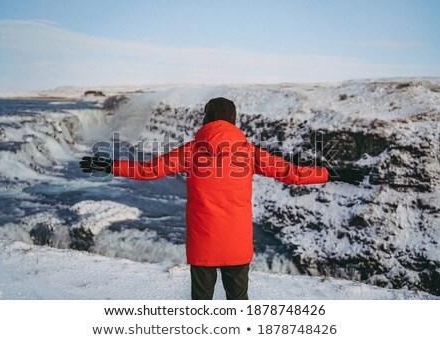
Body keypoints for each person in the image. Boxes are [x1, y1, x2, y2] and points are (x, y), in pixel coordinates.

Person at [80, 97, 363, 300]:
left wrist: (109, 165)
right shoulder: (249, 152)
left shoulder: (191, 151)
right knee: (238, 302)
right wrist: (332, 173)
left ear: (206, 119)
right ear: (233, 120)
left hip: (203, 242)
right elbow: (293, 174)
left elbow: (147, 171)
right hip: (237, 243)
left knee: (202, 305)